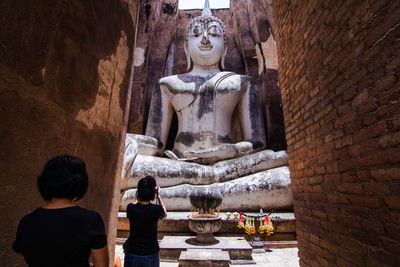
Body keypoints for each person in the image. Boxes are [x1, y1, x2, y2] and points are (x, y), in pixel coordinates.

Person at [120, 0, 292, 212]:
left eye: (213, 34)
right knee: (127, 165)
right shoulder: (168, 84)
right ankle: (209, 184)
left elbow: (257, 143)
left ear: (225, 46)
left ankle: (161, 196)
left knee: (286, 178)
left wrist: (230, 150)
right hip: (179, 165)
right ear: (185, 46)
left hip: (228, 166)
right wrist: (131, 141)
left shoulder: (243, 82)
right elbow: (157, 144)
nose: (204, 39)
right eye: (196, 34)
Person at [13, 155, 109, 267]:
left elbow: (25, 255)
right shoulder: (91, 220)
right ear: (81, 184)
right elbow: (102, 264)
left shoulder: (27, 221)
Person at [123, 176, 167, 267]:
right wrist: (158, 196)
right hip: (150, 252)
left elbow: (135, 203)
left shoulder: (131, 208)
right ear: (153, 192)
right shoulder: (156, 209)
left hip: (133, 251)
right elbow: (165, 213)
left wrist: (140, 196)